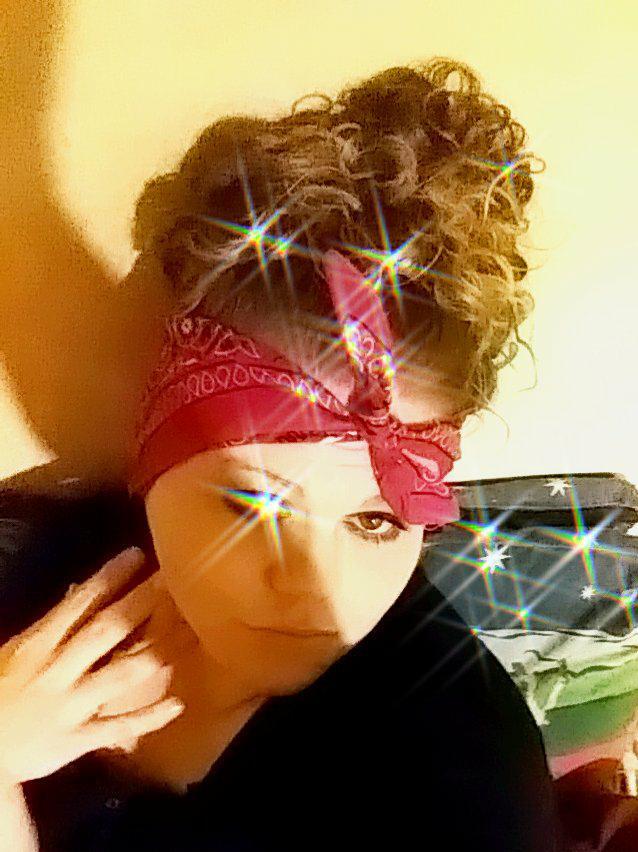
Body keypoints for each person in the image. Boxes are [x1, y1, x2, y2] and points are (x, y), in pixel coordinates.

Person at [0, 58, 557, 850]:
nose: (313, 589)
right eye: (254, 503)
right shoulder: (51, 567)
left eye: (374, 521)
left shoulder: (458, 789)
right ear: (150, 460)